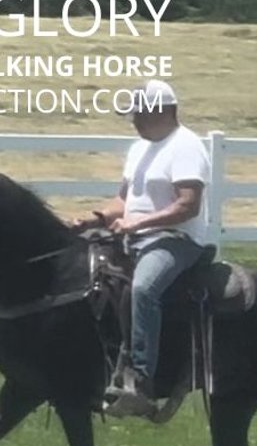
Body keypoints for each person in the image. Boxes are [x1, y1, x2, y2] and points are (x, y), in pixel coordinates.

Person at [71, 79, 211, 415]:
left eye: (140, 115)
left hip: (175, 240)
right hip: (134, 237)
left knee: (144, 288)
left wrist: (137, 224)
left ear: (165, 111)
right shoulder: (139, 148)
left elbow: (187, 207)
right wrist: (94, 219)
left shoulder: (187, 146)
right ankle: (103, 364)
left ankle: (142, 379)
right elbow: (124, 200)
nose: (134, 121)